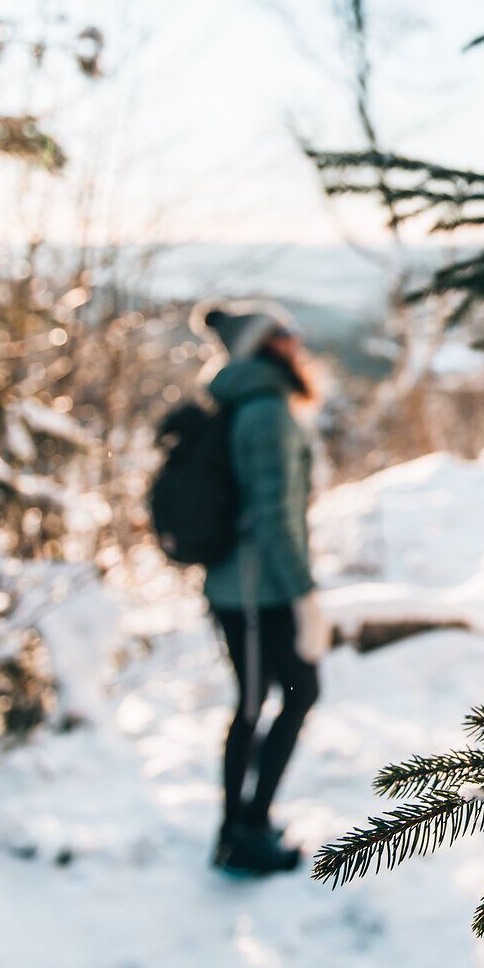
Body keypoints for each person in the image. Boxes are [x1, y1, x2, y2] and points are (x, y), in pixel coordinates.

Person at [196, 302, 329, 876]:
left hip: (253, 586)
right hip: (253, 590)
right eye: (285, 332)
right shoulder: (266, 412)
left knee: (274, 700)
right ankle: (240, 832)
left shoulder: (255, 404)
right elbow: (275, 516)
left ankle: (245, 822)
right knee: (270, 701)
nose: (296, 340)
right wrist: (305, 598)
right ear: (263, 346)